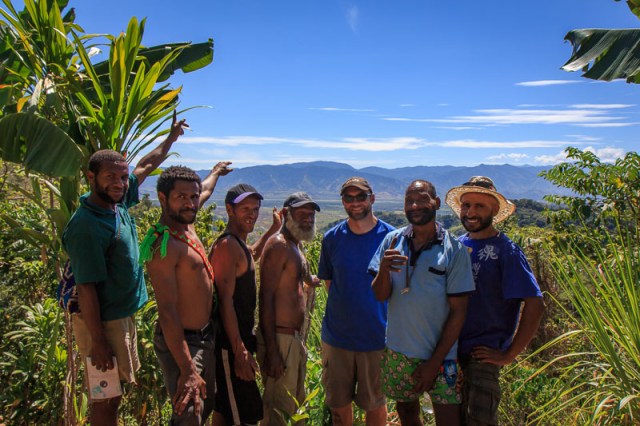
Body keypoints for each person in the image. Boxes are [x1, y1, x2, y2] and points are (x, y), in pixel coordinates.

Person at [62, 112, 189, 426]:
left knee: (114, 394)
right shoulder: (87, 225)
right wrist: (99, 341)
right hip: (102, 323)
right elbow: (86, 288)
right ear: (91, 177)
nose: (119, 183)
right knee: (105, 397)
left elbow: (145, 165)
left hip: (118, 316)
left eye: (122, 177)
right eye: (110, 177)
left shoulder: (114, 203)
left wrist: (171, 139)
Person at [369, 180, 475, 426]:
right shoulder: (392, 241)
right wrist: (383, 269)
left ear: (436, 203)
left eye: (422, 199)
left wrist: (434, 363)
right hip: (398, 352)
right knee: (407, 414)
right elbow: (380, 295)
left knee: (448, 420)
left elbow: (459, 312)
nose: (415, 205)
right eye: (409, 201)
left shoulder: (454, 250)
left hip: (442, 358)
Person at [445, 176, 544, 426]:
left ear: (494, 210)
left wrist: (509, 354)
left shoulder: (506, 251)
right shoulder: (458, 246)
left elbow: (534, 303)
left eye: (480, 206)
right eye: (467, 205)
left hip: (482, 357)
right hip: (451, 353)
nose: (471, 212)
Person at [140, 163, 232, 425]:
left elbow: (205, 190)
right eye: (182, 196)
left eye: (193, 196)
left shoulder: (185, 222)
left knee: (206, 403)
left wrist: (215, 172)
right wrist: (187, 368)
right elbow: (167, 311)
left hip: (205, 335)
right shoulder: (164, 245)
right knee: (189, 413)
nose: (191, 203)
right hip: (183, 342)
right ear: (163, 198)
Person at [317, 177, 394, 425]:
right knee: (339, 407)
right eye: (349, 198)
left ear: (372, 199)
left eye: (361, 197)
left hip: (376, 338)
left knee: (375, 406)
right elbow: (331, 285)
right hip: (338, 339)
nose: (355, 202)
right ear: (343, 202)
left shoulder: (392, 238)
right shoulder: (331, 239)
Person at [209, 183, 282, 426]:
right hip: (229, 346)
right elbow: (225, 302)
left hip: (234, 344)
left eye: (255, 209)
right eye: (245, 209)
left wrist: (273, 229)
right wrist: (239, 351)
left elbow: (251, 255)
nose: (252, 214)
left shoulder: (238, 244)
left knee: (226, 410)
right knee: (246, 415)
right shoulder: (228, 246)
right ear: (229, 210)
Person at [258, 192, 321, 426]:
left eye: (311, 214)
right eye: (301, 213)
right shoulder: (279, 245)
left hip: (292, 340)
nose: (308, 219)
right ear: (286, 214)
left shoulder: (295, 245)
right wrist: (272, 351)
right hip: (280, 340)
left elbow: (301, 278)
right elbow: (266, 297)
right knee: (278, 412)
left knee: (293, 409)